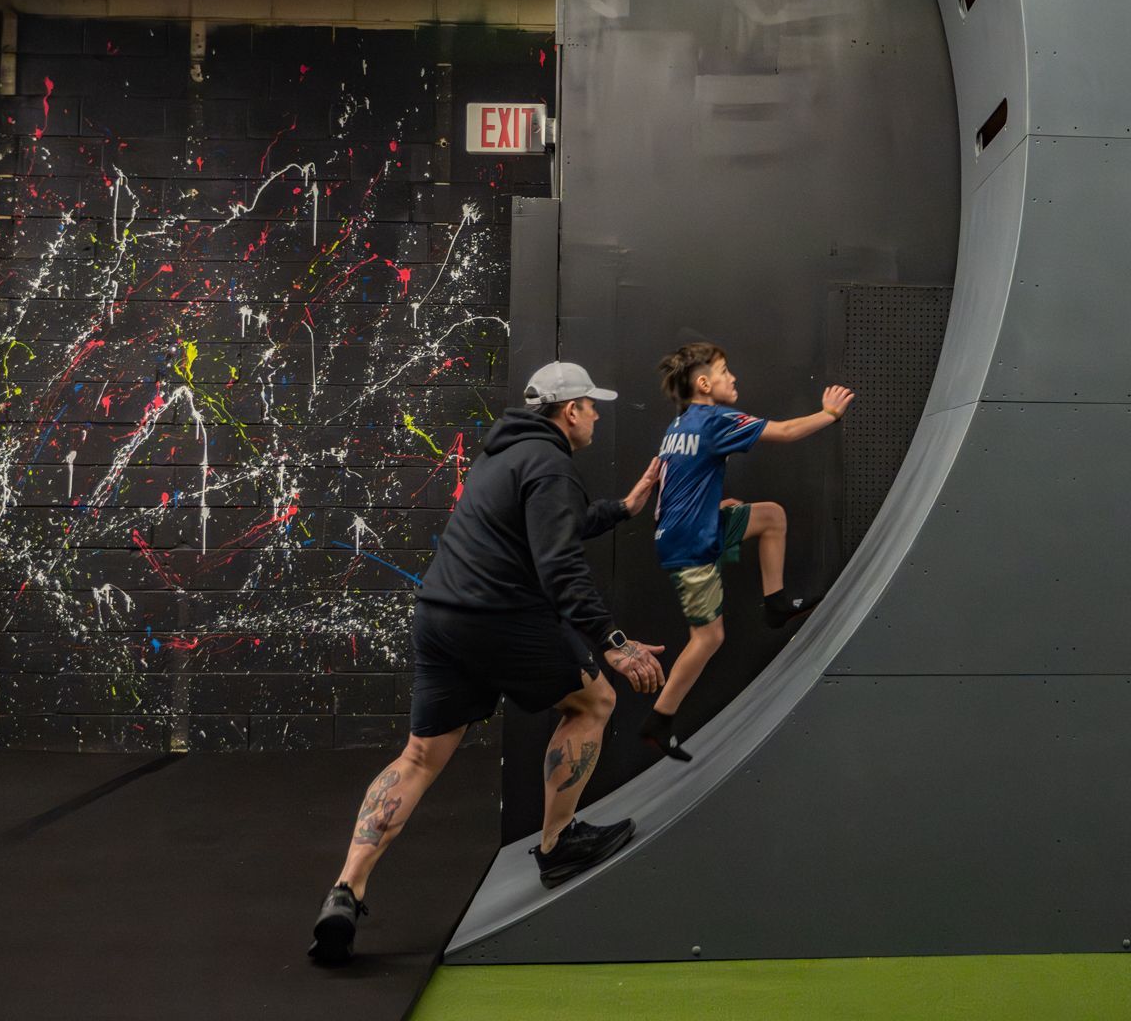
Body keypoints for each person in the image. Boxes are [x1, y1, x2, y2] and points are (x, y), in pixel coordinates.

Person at [308, 361, 668, 966]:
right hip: (500, 620)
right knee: (595, 700)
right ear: (570, 410)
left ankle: (347, 888)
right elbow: (557, 565)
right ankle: (558, 844)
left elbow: (548, 528)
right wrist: (614, 639)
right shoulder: (552, 463)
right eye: (592, 406)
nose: (598, 416)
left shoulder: (501, 457)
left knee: (418, 756)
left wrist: (622, 509)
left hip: (440, 617)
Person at [638, 342, 855, 761]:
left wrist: (711, 506)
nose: (733, 377)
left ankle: (775, 605)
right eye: (724, 371)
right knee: (708, 637)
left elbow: (676, 485)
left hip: (686, 529)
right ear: (704, 383)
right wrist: (829, 414)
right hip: (691, 545)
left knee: (771, 517)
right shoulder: (716, 419)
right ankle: (659, 720)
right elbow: (786, 432)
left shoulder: (679, 425)